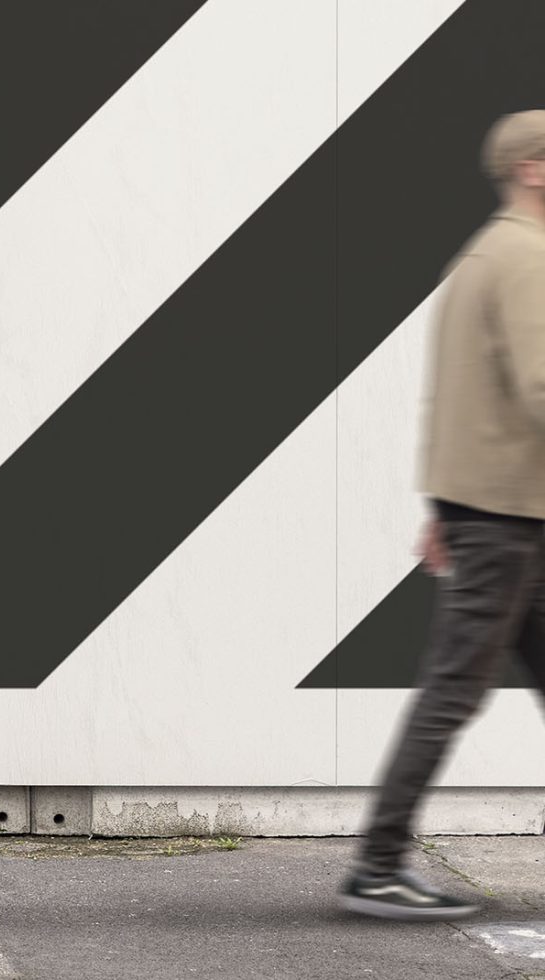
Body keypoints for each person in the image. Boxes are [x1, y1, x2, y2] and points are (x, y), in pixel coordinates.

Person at [339, 109, 545, 921]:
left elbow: (454, 393)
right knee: (452, 689)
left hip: (497, 508)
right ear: (534, 168)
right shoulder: (525, 258)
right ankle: (378, 864)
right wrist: (457, 509)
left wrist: (440, 504)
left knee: (455, 686)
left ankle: (379, 860)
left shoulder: (483, 253)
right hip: (507, 517)